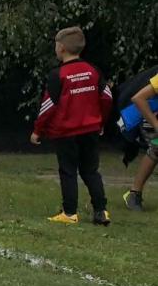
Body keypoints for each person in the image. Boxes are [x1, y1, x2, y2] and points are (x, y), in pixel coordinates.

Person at [30, 27, 114, 227]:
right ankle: (101, 211)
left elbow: (48, 106)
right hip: (90, 129)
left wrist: (37, 130)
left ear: (61, 48)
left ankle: (69, 213)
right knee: (91, 170)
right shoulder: (93, 70)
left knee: (68, 171)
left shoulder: (58, 75)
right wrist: (100, 122)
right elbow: (107, 97)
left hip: (65, 132)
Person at [116, 65, 158, 211]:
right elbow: (138, 98)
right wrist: (156, 125)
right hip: (149, 115)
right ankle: (134, 194)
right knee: (156, 148)